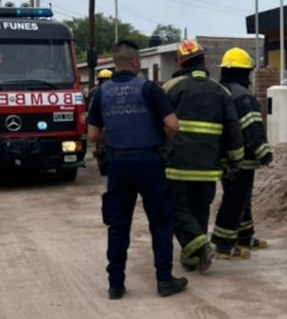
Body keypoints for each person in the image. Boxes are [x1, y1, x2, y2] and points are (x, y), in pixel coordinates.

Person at [87, 40, 187, 299]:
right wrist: (157, 136)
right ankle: (164, 280)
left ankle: (115, 285)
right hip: (149, 160)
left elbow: (92, 135)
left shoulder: (101, 93)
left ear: (115, 63)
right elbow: (173, 126)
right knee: (160, 222)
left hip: (118, 164)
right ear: (135, 62)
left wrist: (117, 133)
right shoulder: (149, 89)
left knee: (118, 224)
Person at [163, 40, 245, 271]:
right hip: (209, 167)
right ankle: (193, 259)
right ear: (203, 60)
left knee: (176, 209)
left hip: (176, 166)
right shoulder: (220, 90)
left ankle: (200, 247)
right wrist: (235, 160)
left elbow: (159, 125)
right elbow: (233, 129)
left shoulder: (170, 88)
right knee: (199, 209)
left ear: (180, 62)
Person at [211, 48, 273, 258]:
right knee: (235, 199)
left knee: (241, 197)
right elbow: (252, 129)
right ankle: (223, 244)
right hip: (243, 159)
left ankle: (245, 237)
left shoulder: (218, 92)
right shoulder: (243, 96)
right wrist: (265, 154)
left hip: (221, 156)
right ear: (243, 72)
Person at [88, 69, 114, 176]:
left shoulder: (95, 91)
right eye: (104, 80)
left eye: (107, 80)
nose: (105, 82)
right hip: (102, 121)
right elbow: (89, 108)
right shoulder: (96, 92)